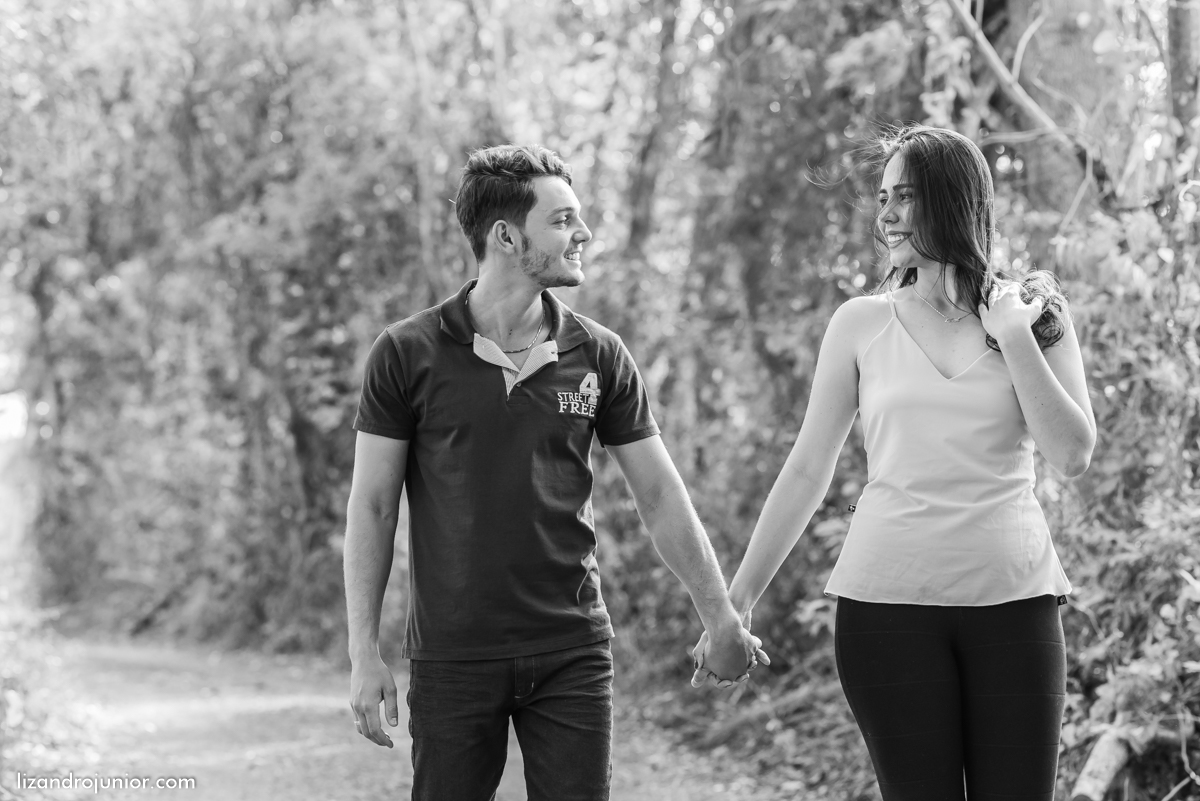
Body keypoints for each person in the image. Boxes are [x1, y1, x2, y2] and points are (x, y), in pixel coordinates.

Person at [344, 143, 766, 801]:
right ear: (507, 236)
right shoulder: (407, 352)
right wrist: (363, 654)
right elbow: (372, 505)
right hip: (453, 656)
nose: (584, 233)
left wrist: (721, 617)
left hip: (572, 649)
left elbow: (658, 493)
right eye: (563, 219)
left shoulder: (599, 353)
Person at [703, 125, 1096, 799]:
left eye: (904, 196)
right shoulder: (859, 324)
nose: (884, 214)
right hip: (886, 611)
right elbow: (806, 469)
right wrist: (732, 605)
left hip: (1016, 604)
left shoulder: (1034, 313)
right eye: (882, 196)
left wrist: (1012, 337)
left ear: (952, 199)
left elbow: (1073, 453)